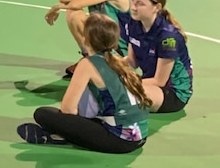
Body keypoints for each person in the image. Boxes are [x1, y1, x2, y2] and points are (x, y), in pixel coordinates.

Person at [17, 13, 150, 153]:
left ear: (86, 40)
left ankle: (59, 136)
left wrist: (67, 124)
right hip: (140, 135)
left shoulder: (87, 64)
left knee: (43, 114)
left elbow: (68, 110)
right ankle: (62, 135)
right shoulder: (119, 60)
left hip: (119, 140)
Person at [44, 0, 130, 76]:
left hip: (120, 49)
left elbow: (74, 5)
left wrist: (57, 7)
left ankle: (110, 62)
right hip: (104, 38)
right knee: (72, 13)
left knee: (74, 12)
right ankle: (90, 59)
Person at [122, 0, 192, 113]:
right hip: (149, 83)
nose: (133, 7)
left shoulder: (168, 37)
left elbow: (160, 81)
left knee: (123, 94)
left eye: (140, 4)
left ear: (157, 7)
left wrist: (124, 82)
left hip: (172, 93)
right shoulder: (134, 24)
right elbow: (131, 62)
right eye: (133, 1)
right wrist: (108, 66)